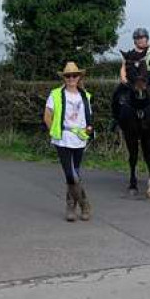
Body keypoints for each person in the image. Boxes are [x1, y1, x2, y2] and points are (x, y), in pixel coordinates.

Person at [43, 61, 94, 222]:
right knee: (70, 174)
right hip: (63, 138)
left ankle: (71, 205)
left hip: (80, 139)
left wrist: (88, 131)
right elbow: (47, 116)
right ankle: (84, 204)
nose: (71, 78)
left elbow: (88, 118)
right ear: (64, 78)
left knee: (76, 172)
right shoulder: (56, 94)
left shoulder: (85, 95)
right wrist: (54, 132)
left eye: (74, 75)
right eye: (68, 76)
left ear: (79, 77)